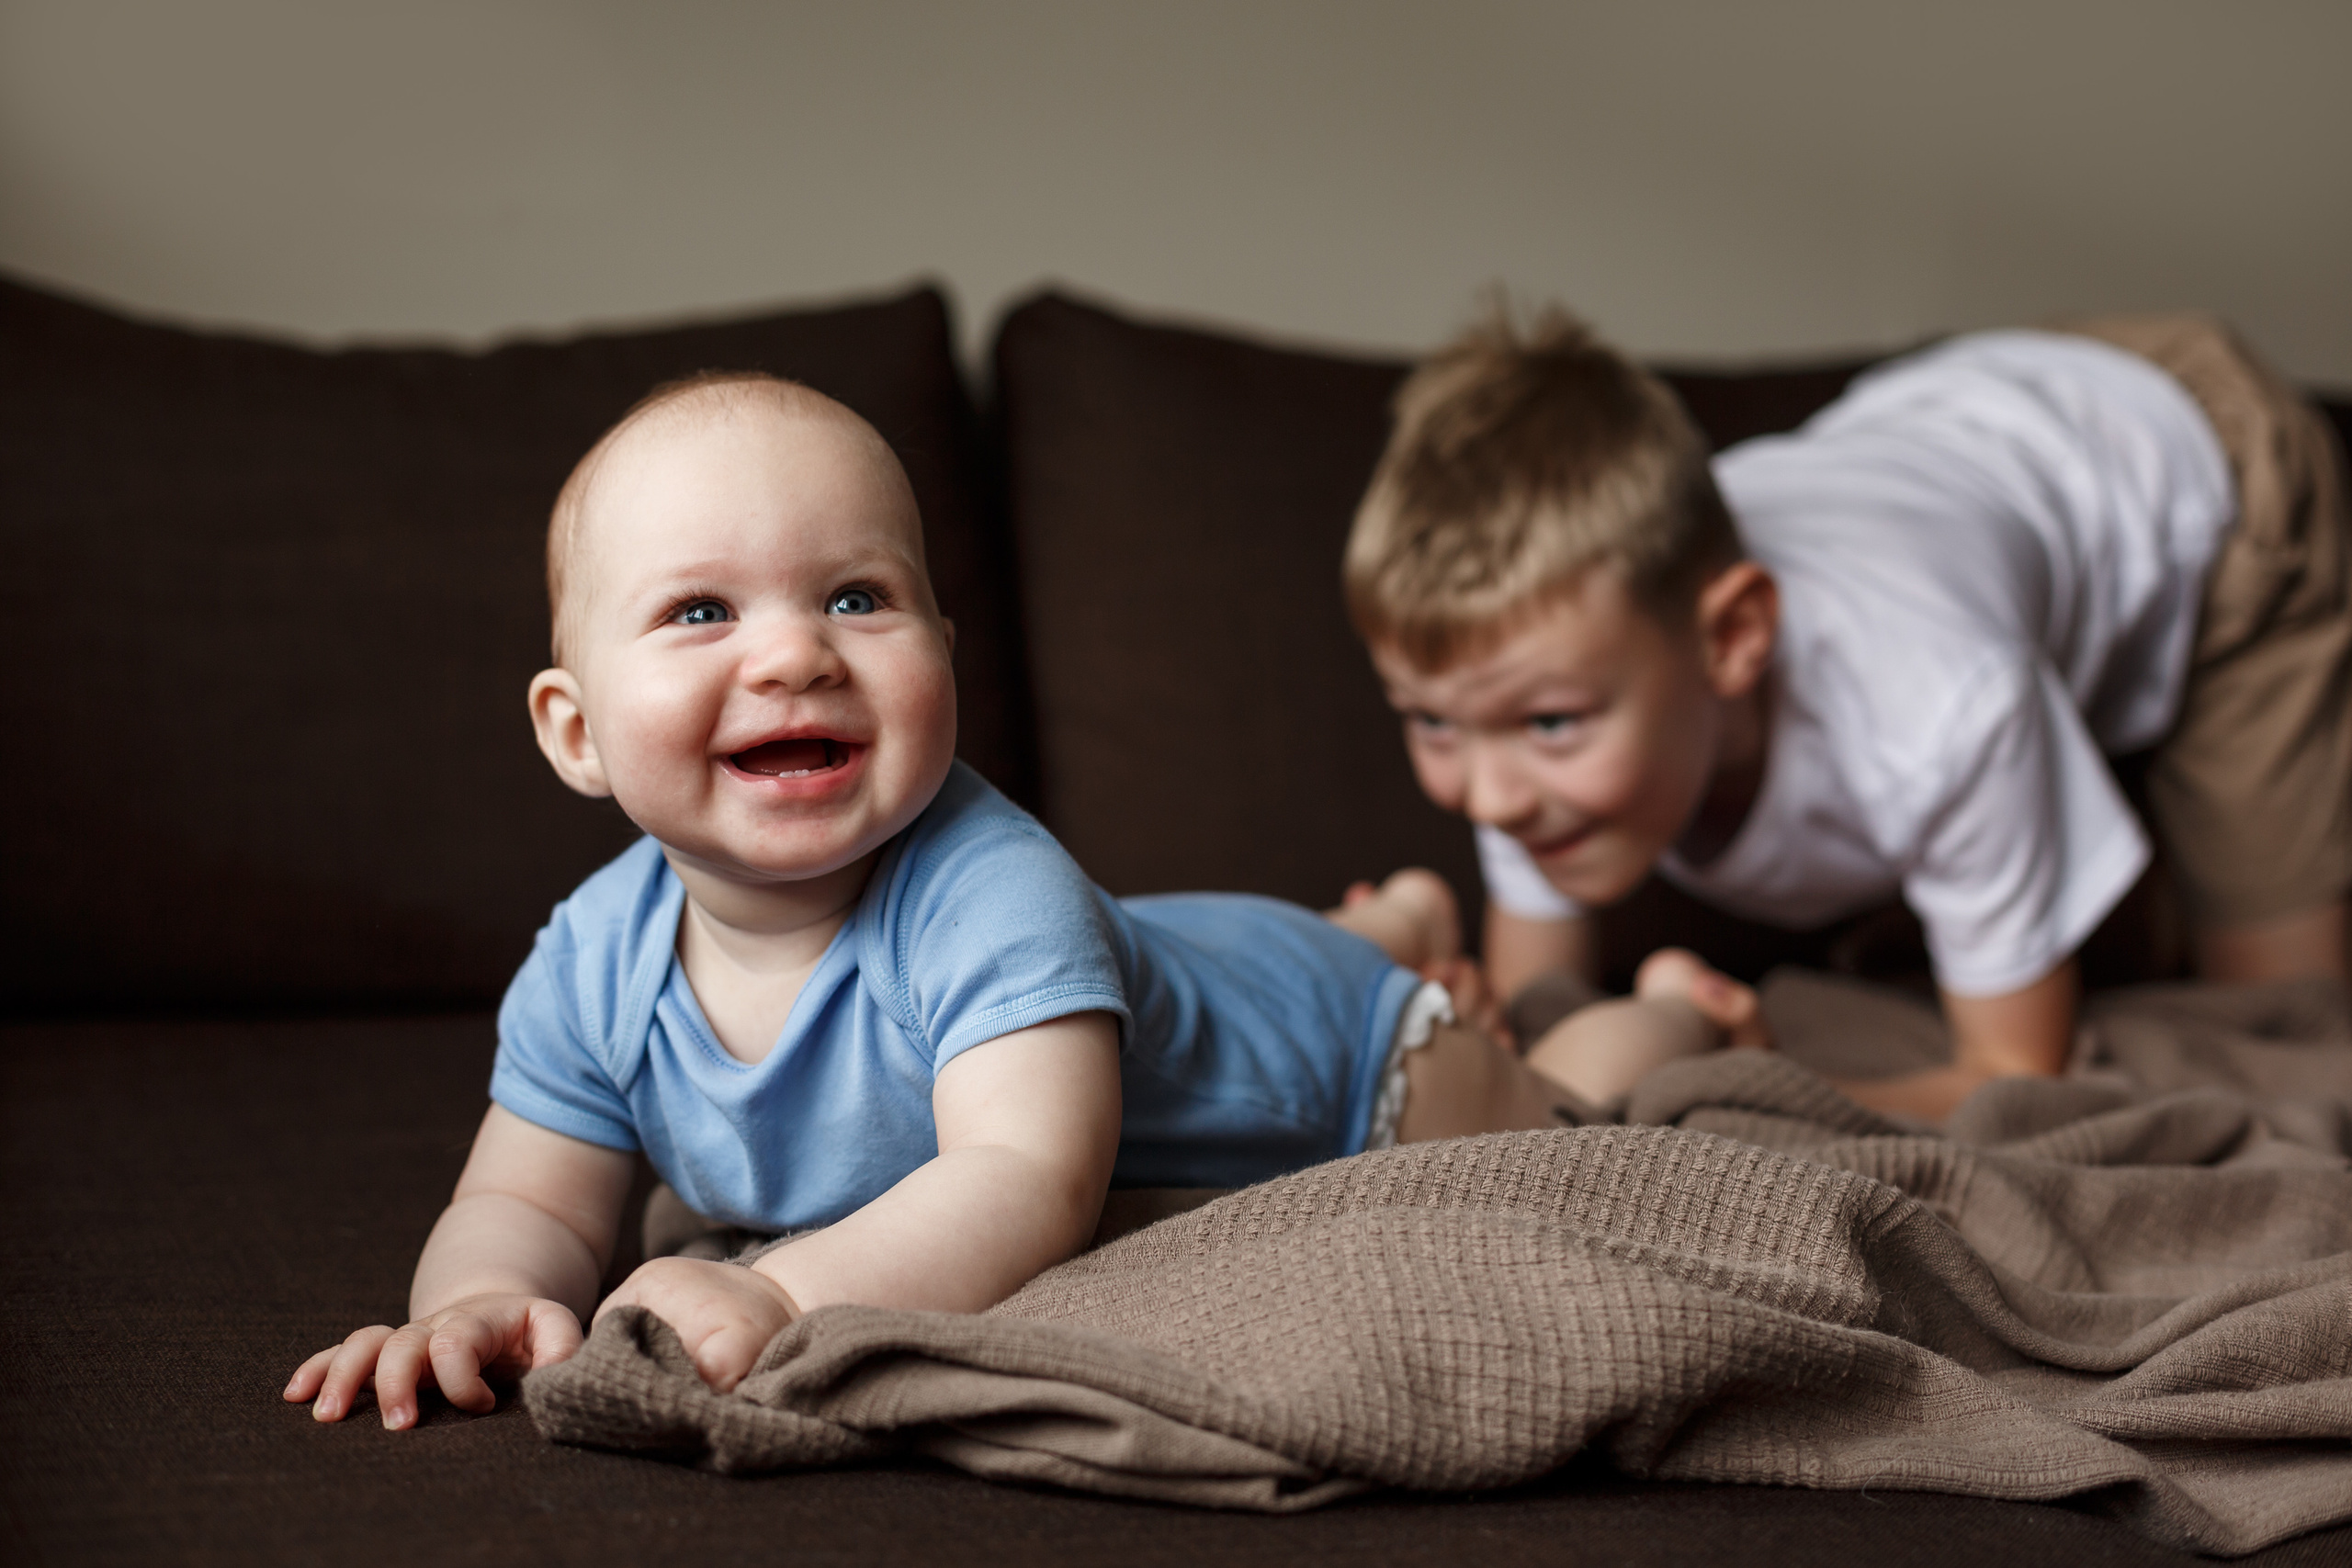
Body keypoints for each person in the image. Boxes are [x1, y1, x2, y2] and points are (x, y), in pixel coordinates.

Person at [287, 372, 1661, 1432]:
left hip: (1349, 1060)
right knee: (1169, 953)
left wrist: (780, 1290)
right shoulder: (594, 958)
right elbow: (529, 1198)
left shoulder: (992, 890)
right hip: (1178, 951)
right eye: (701, 611)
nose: (793, 652)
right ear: (575, 730)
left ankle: (1619, 1006)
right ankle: (1402, 914)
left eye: (855, 595)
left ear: (945, 652)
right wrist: (470, 1304)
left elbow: (1026, 1177)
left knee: (1569, 1087)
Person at [1342, 310, 2351, 1123]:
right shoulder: (1525, 704)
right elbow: (1535, 1033)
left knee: (2276, 1013)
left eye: (1551, 724)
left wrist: (1747, 1095)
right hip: (1943, 431)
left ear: (1731, 638)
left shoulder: (1939, 702)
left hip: (2196, 452)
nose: (1485, 797)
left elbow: (2015, 1070)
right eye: (1427, 723)